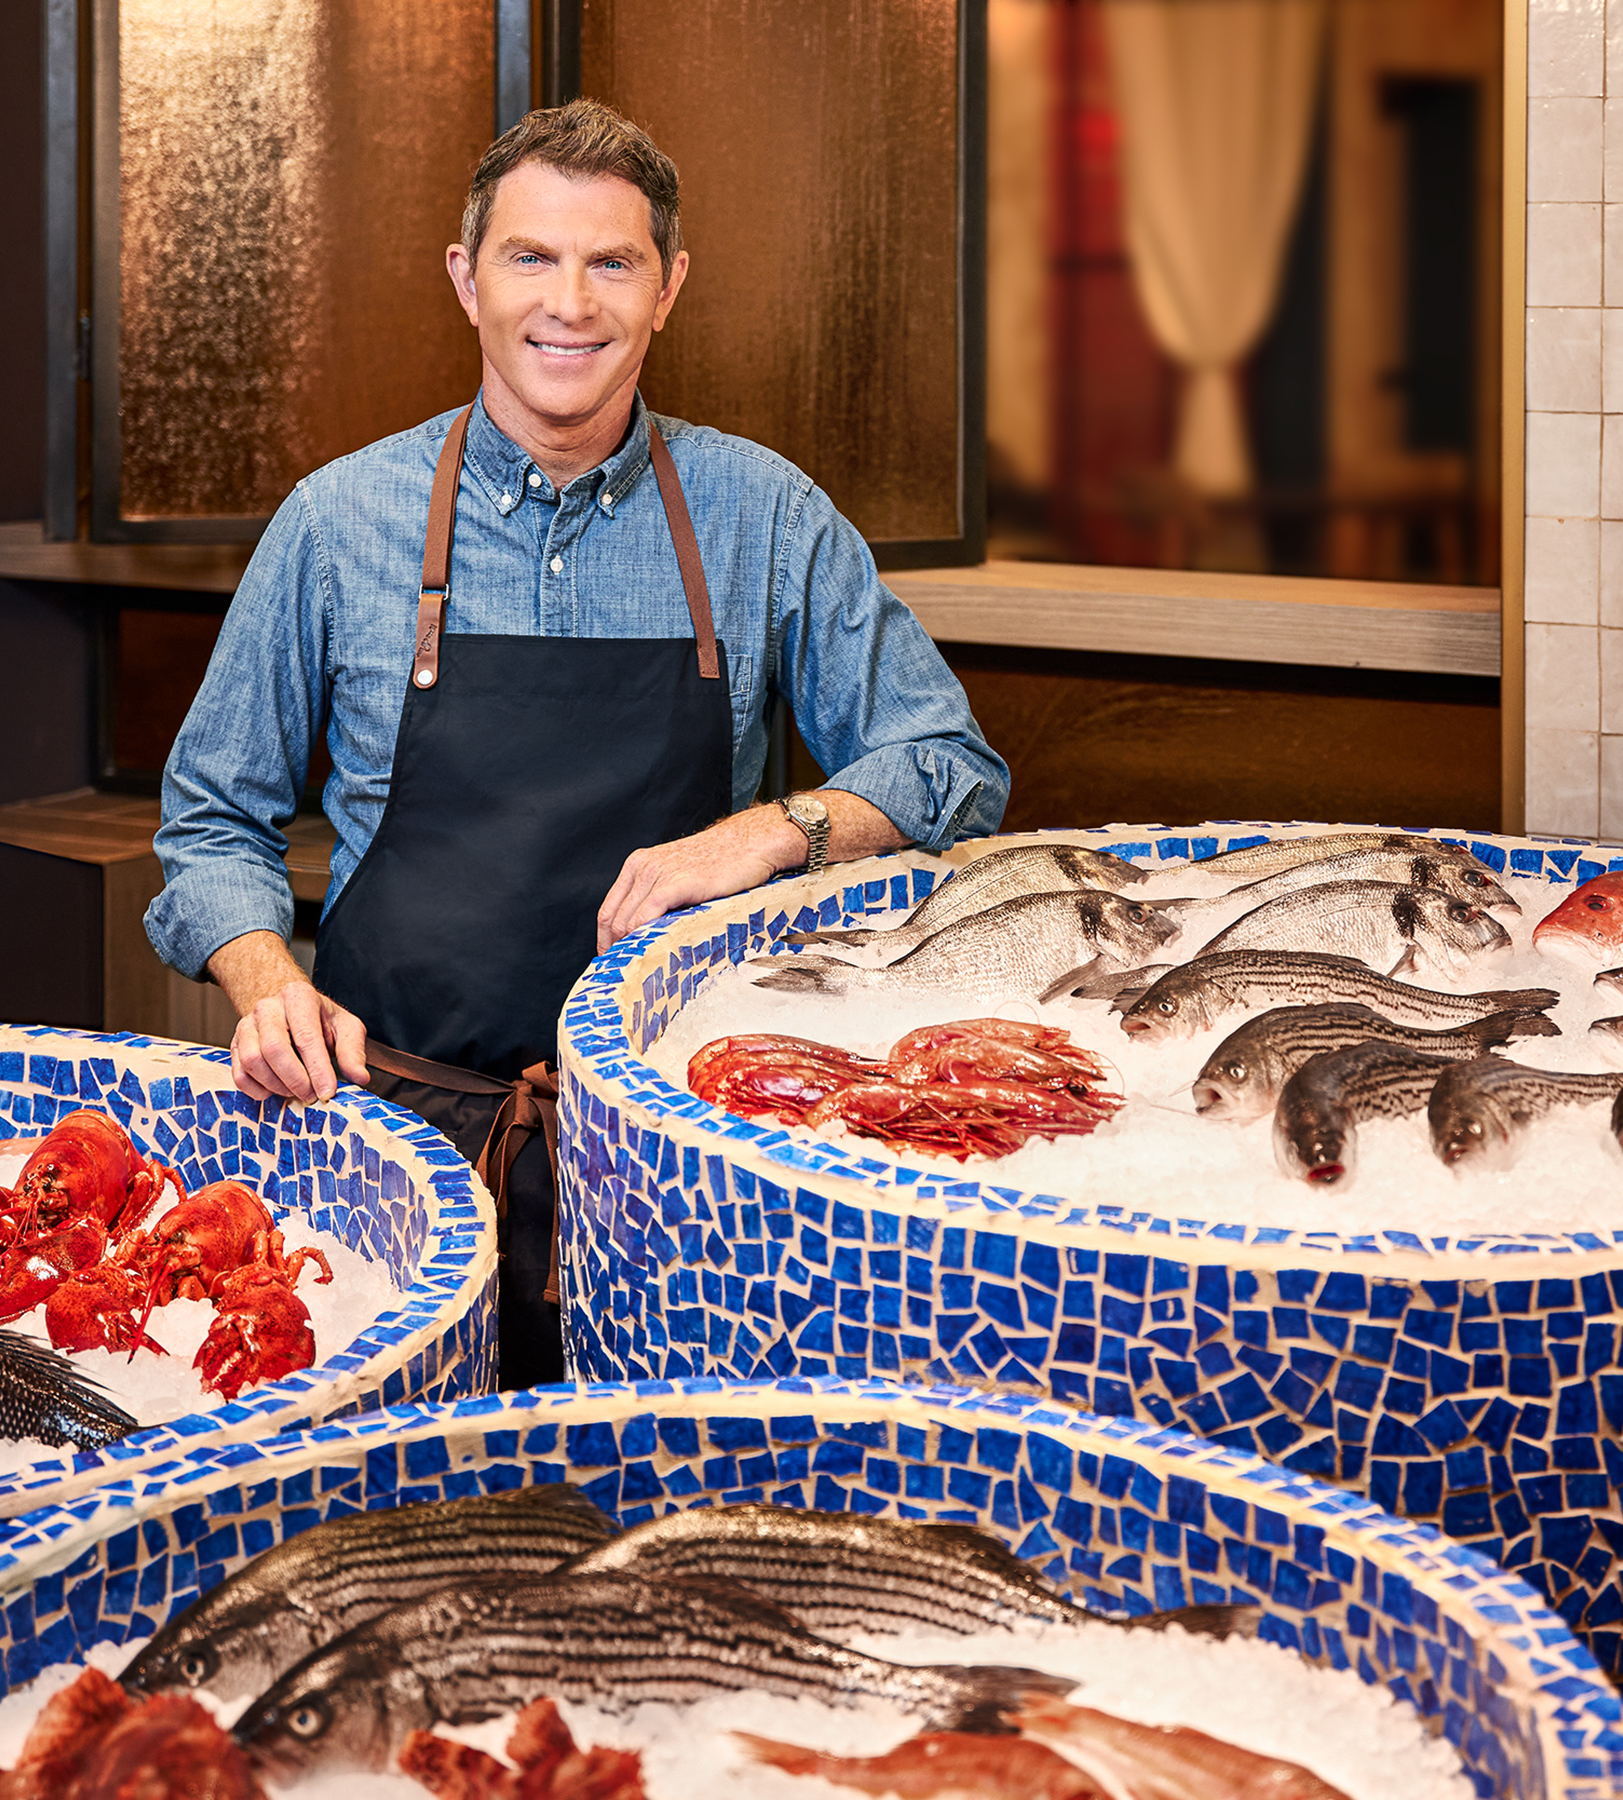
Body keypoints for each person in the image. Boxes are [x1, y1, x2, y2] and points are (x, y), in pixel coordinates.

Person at [145, 99, 1009, 1390]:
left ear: (667, 290)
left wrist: (775, 828)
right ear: (467, 279)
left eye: (612, 263)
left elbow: (952, 763)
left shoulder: (764, 513)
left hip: (676, 1128)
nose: (572, 303)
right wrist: (266, 982)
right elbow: (211, 818)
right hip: (398, 1125)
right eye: (531, 258)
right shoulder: (338, 523)